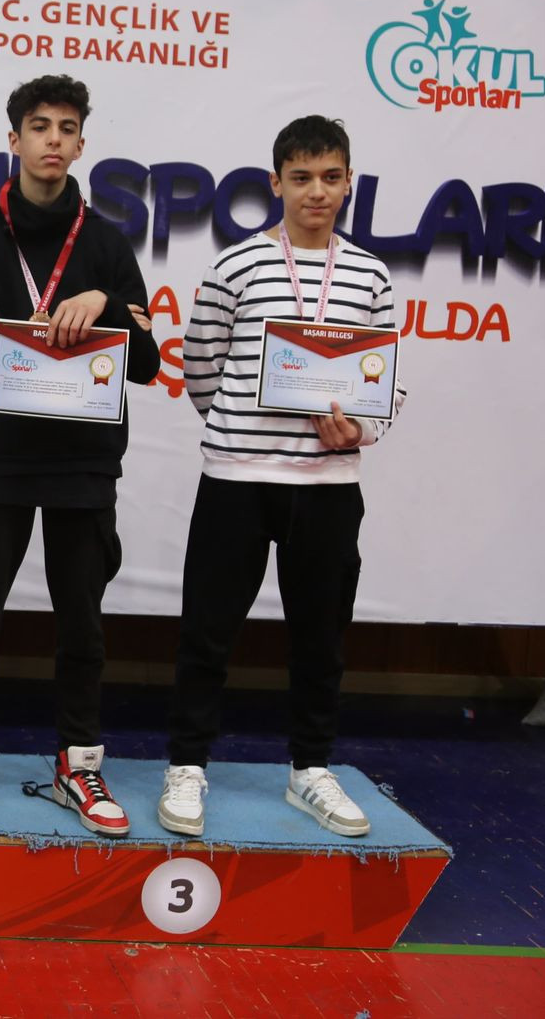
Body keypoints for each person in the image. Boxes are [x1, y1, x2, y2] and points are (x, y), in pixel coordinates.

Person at [158, 114, 406, 839]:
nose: (316, 191)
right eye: (301, 178)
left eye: (330, 177)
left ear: (349, 182)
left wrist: (361, 429)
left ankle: (310, 769)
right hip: (236, 478)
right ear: (276, 183)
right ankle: (187, 764)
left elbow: (385, 379)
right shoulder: (237, 265)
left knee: (321, 639)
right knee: (208, 633)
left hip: (328, 487)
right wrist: (240, 426)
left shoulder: (371, 274)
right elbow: (202, 365)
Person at [0, 75, 160, 835]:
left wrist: (102, 305)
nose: (52, 139)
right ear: (14, 140)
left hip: (83, 463)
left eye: (65, 127)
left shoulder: (107, 244)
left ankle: (79, 765)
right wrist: (60, 331)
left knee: (82, 624)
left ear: (82, 143)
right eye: (39, 126)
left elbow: (148, 362)